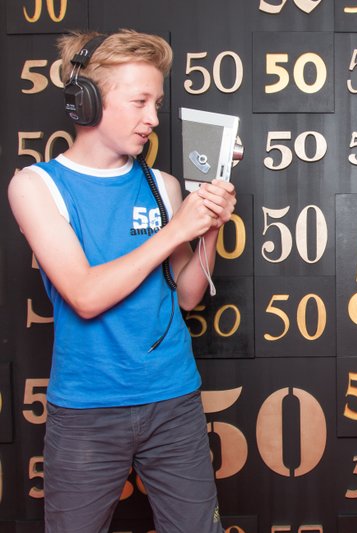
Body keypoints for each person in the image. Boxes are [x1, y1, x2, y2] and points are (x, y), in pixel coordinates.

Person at [7, 29, 236, 533]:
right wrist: (176, 229)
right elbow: (85, 296)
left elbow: (189, 296)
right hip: (87, 409)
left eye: (157, 103)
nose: (153, 118)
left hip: (173, 399)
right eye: (139, 102)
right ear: (86, 101)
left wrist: (209, 227)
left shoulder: (163, 186)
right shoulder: (36, 186)